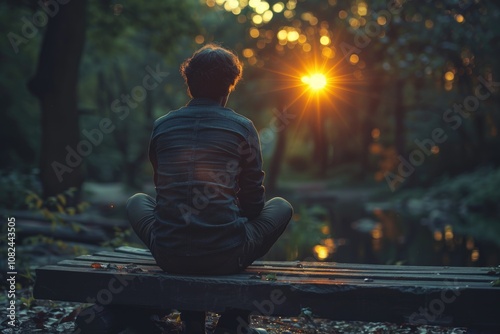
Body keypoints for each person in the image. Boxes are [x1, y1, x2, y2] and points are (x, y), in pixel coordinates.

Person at [126, 44, 293, 334]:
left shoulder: (162, 125)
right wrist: (224, 215)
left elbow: (161, 190)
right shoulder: (243, 127)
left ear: (189, 85)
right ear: (230, 86)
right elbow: (254, 203)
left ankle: (193, 322)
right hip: (226, 255)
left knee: (135, 202)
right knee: (282, 206)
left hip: (170, 253)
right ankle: (232, 323)